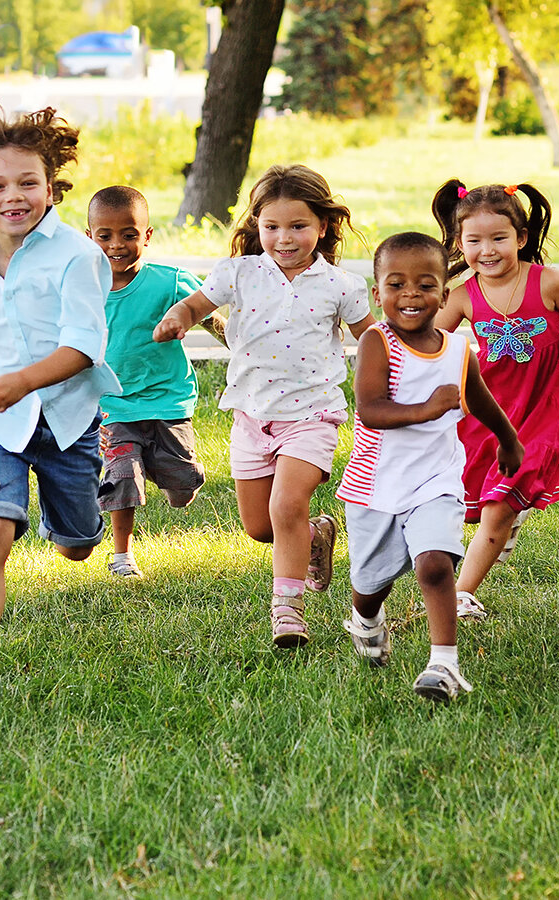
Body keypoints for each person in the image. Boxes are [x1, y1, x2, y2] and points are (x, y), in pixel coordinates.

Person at [0, 100, 118, 716]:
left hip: (65, 418)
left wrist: (22, 381)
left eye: (29, 182)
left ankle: (67, 521)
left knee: (79, 543)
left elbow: (84, 348)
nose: (15, 195)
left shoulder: (78, 256)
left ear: (51, 186)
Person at [154, 164, 375, 648]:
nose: (284, 238)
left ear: (323, 226)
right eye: (271, 226)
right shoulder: (239, 273)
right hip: (252, 417)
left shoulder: (340, 285)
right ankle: (315, 535)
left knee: (285, 504)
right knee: (260, 527)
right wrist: (178, 317)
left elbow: (374, 340)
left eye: (298, 226)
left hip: (313, 416)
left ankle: (287, 612)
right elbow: (197, 305)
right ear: (256, 225)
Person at [338, 232, 522, 702]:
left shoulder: (459, 349)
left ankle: (444, 665)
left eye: (425, 285)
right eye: (396, 285)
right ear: (377, 293)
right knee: (370, 583)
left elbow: (479, 399)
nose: (411, 295)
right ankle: (365, 619)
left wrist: (508, 440)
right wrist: (425, 409)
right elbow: (371, 410)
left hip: (436, 480)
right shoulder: (378, 343)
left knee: (435, 565)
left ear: (445, 293)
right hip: (375, 486)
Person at [430, 180, 559, 620]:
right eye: (474, 240)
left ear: (521, 238)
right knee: (474, 494)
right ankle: (503, 521)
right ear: (459, 242)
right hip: (488, 408)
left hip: (544, 406)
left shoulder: (549, 283)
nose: (487, 250)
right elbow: (431, 339)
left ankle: (461, 593)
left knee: (499, 504)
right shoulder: (464, 294)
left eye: (499, 238)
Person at [86, 185, 205, 579]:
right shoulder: (83, 291)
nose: (116, 245)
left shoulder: (169, 282)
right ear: (90, 237)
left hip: (167, 401)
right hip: (114, 406)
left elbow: (211, 313)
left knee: (180, 488)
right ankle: (122, 556)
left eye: (129, 234)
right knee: (121, 476)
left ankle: (176, 476)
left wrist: (240, 347)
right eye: (105, 236)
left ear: (147, 236)